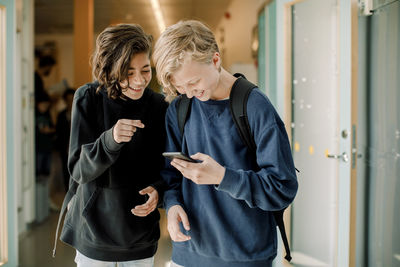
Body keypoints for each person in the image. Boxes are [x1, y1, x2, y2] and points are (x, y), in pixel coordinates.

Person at [152, 20, 298, 267]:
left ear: (216, 60)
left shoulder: (255, 107)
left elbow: (282, 188)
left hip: (245, 256)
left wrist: (222, 176)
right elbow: (170, 175)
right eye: (180, 86)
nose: (188, 92)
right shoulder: (180, 108)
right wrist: (173, 204)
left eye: (194, 82)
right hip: (188, 252)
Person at [58, 24, 168, 267]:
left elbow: (164, 166)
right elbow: (78, 169)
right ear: (110, 70)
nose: (140, 81)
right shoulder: (88, 98)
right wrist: (110, 140)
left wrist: (158, 191)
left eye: (146, 70)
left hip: (140, 237)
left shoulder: (159, 105)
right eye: (129, 73)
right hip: (93, 235)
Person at [55, 88, 75, 192]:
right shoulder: (61, 115)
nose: (70, 102)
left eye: (72, 99)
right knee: (65, 173)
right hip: (64, 149)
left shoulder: (80, 114)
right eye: (68, 100)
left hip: (77, 150)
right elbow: (58, 132)